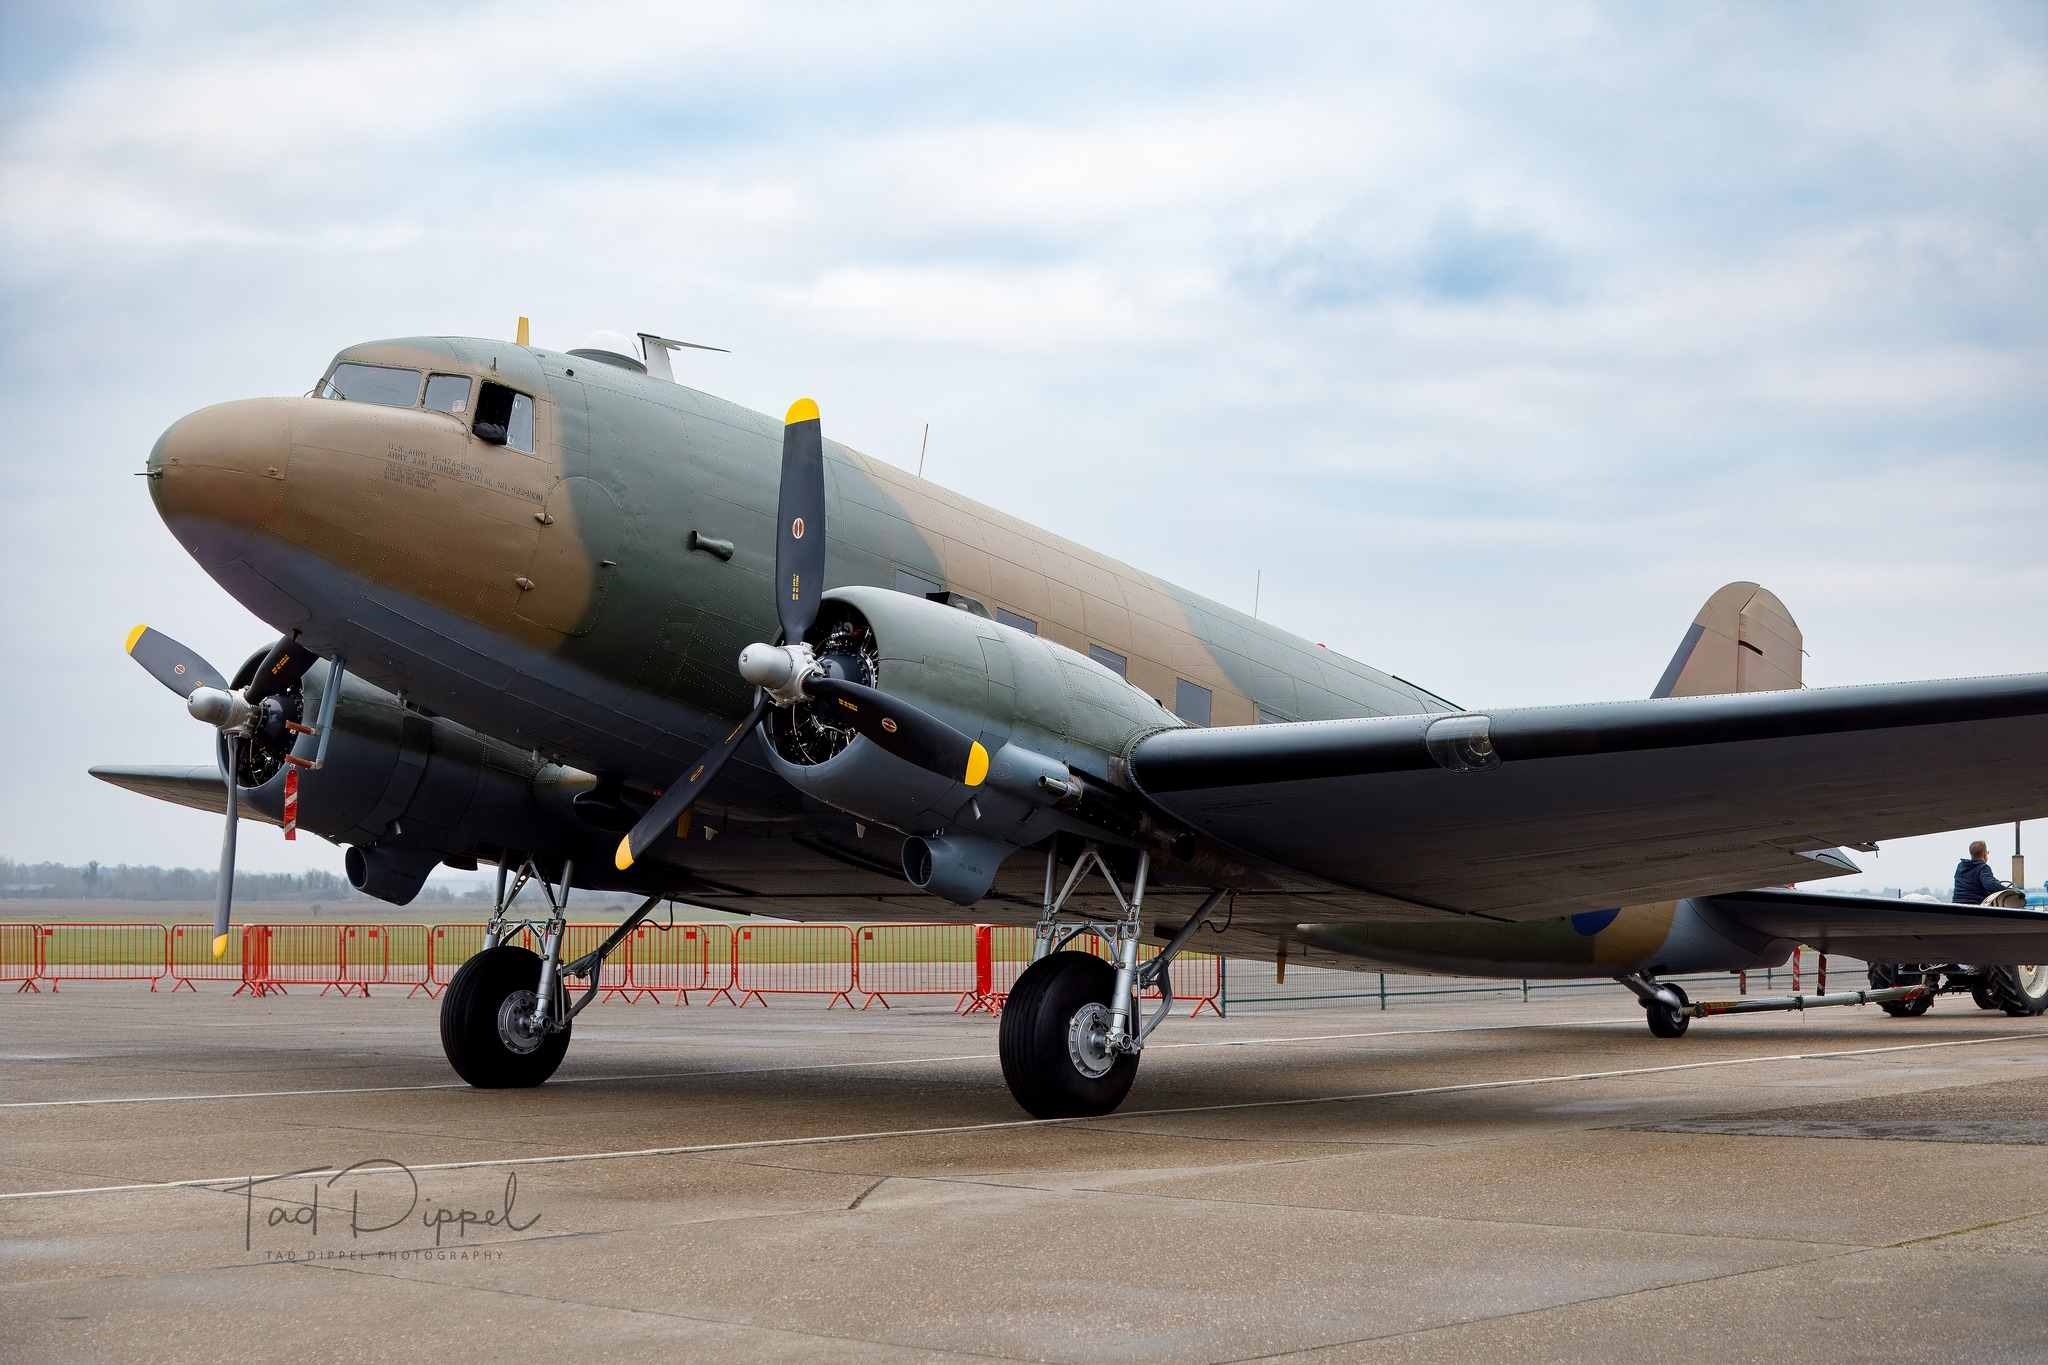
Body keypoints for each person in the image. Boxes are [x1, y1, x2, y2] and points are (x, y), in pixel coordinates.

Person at [1953, 840, 2009, 905]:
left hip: (1956, 906)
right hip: (1974, 907)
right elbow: (1990, 885)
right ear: (1984, 855)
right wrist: (2010, 891)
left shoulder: (1961, 866)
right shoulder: (1982, 868)